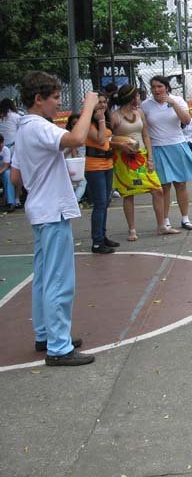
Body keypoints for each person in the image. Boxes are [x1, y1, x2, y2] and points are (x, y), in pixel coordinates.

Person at [10, 72, 97, 366]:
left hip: (39, 209)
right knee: (59, 279)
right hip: (52, 210)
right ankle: (58, 346)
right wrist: (88, 106)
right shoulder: (38, 126)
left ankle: (46, 334)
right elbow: (76, 138)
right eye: (56, 98)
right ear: (39, 99)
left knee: (43, 276)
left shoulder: (23, 129)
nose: (59, 103)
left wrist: (49, 172)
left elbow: (16, 177)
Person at [110, 84, 179, 241]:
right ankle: (132, 230)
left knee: (157, 189)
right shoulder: (115, 116)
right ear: (130, 98)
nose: (139, 98)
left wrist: (150, 157)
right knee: (128, 193)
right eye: (137, 96)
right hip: (124, 159)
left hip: (141, 156)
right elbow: (107, 140)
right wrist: (121, 145)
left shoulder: (139, 112)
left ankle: (161, 226)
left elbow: (146, 135)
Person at [141, 75, 192, 231]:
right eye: (153, 87)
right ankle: (165, 220)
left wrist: (173, 104)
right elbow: (145, 130)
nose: (156, 90)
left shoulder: (177, 100)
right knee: (164, 186)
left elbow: (187, 121)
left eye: (160, 86)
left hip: (177, 145)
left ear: (167, 87)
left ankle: (185, 218)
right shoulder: (146, 105)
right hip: (158, 147)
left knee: (181, 184)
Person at [84, 91, 122, 254]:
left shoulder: (104, 120)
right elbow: (100, 140)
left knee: (105, 202)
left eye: (105, 102)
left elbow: (107, 139)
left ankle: (102, 235)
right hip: (94, 166)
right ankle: (97, 242)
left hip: (107, 163)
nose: (103, 105)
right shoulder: (87, 122)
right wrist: (100, 120)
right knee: (100, 203)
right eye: (99, 102)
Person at [0, 98, 22, 209]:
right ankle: (16, 199)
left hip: (2, 148)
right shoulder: (16, 116)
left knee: (6, 174)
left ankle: (7, 199)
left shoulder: (1, 117)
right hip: (14, 148)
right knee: (17, 172)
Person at [64, 114, 88, 205]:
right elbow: (73, 150)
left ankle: (73, 201)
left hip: (81, 162)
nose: (76, 126)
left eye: (78, 123)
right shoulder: (70, 136)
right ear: (70, 125)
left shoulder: (84, 134)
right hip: (74, 162)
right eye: (74, 124)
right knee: (82, 182)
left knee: (80, 183)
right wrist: (76, 161)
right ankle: (74, 202)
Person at [0, 134, 13, 212]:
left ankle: (10, 202)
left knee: (8, 175)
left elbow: (6, 165)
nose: (1, 145)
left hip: (4, 170)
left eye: (1, 143)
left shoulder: (6, 150)